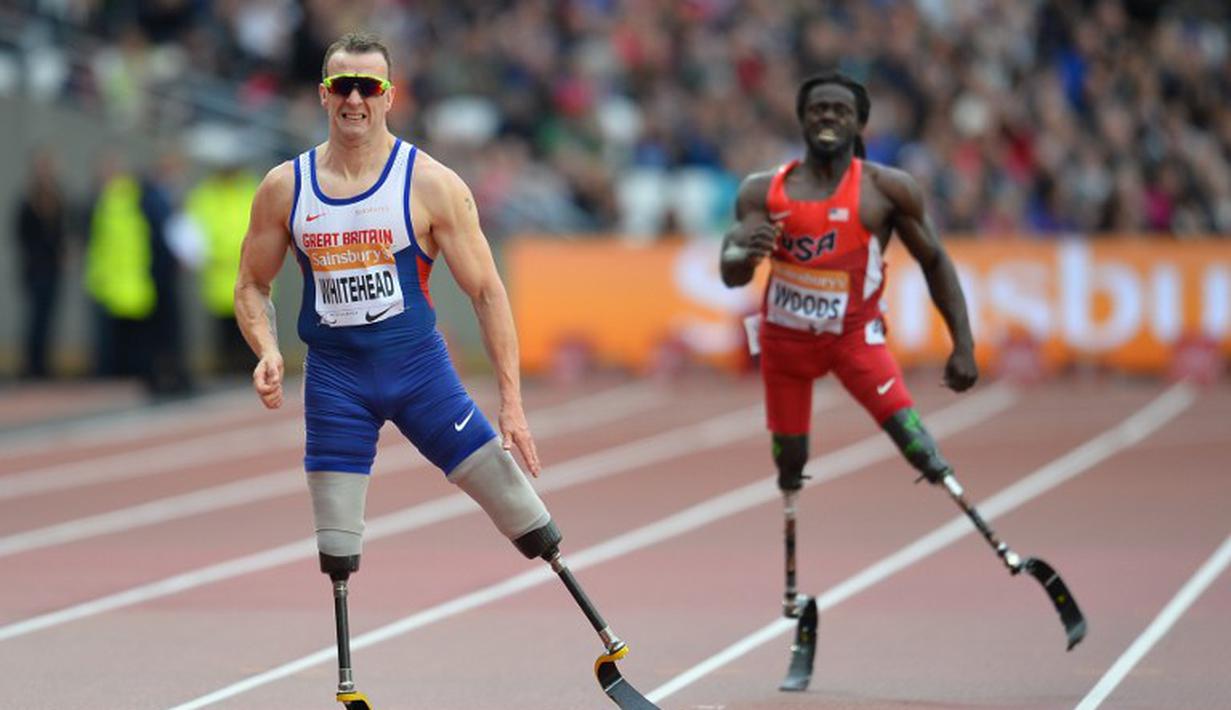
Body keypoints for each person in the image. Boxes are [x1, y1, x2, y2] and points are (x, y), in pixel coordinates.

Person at [234, 32, 641, 704]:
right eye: (343, 86)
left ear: (390, 96)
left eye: (368, 87)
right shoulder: (286, 188)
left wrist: (512, 403)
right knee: (336, 541)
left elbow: (487, 292)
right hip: (335, 380)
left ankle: (609, 646)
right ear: (323, 96)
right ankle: (348, 687)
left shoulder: (430, 184)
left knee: (516, 503)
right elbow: (251, 284)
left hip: (419, 372)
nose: (355, 99)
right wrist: (269, 350)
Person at [720, 72, 978, 614]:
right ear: (802, 118)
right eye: (818, 108)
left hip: (854, 340)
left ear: (860, 123)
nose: (828, 117)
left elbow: (935, 261)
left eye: (840, 110)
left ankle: (979, 527)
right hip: (785, 346)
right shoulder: (762, 191)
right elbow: (730, 270)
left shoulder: (887, 189)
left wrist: (963, 344)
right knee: (791, 460)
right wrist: (746, 255)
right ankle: (792, 586)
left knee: (914, 440)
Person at [14, 148, 68, 380]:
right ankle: (32, 364)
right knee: (35, 318)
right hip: (36, 269)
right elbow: (21, 235)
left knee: (48, 318)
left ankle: (43, 364)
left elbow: (63, 232)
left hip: (53, 269)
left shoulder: (59, 198)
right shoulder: (28, 201)